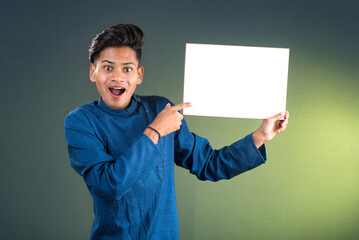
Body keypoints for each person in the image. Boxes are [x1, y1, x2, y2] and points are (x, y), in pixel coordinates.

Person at [64, 23, 289, 240]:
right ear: (93, 72)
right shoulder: (81, 121)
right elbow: (110, 185)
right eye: (107, 67)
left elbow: (208, 164)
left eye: (127, 69)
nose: (117, 77)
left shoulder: (160, 109)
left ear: (139, 75)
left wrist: (260, 135)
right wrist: (154, 131)